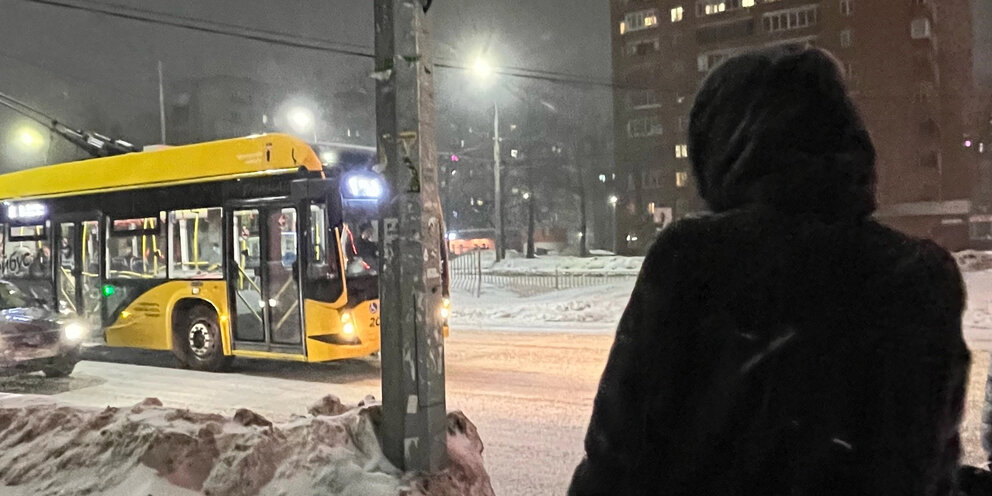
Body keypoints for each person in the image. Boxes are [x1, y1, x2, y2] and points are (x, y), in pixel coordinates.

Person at [568, 45, 969, 496]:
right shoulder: (921, 277)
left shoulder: (694, 260)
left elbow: (616, 461)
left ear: (726, 146)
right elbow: (927, 468)